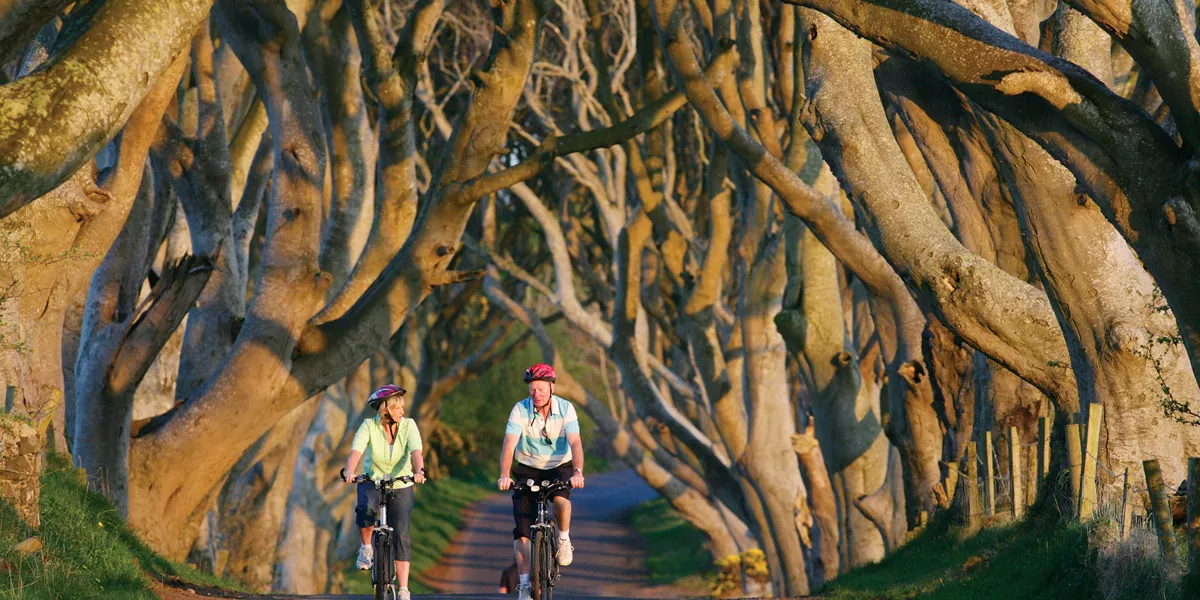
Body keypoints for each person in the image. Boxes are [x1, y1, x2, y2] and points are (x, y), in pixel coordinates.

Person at [497, 363, 586, 600]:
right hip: (527, 468)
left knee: (561, 501)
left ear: (551, 388)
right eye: (532, 390)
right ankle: (525, 584)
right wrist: (505, 474)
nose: (536, 394)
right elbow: (509, 443)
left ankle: (563, 538)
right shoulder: (520, 410)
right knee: (522, 532)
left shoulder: (566, 409)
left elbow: (575, 442)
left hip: (560, 466)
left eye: (541, 389)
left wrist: (577, 471)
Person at [343, 384, 426, 600]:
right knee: (365, 509)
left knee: (401, 533)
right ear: (385, 409)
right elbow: (356, 450)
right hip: (373, 480)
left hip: (401, 483)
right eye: (397, 407)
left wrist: (419, 471)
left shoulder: (409, 426)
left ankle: (403, 588)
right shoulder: (368, 426)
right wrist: (350, 471)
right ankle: (367, 547)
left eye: (402, 407)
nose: (402, 411)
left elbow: (416, 451)